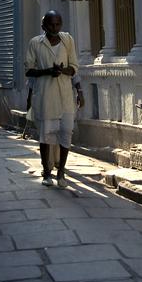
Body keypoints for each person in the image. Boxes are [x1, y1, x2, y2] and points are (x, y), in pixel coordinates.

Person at [25, 10, 84, 188]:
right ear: (43, 25)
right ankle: (47, 172)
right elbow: (29, 70)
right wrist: (48, 71)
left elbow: (74, 67)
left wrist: (63, 72)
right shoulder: (36, 43)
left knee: (66, 133)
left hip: (66, 95)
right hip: (45, 96)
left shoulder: (68, 40)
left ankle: (61, 172)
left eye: (58, 24)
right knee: (47, 134)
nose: (54, 28)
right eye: (51, 24)